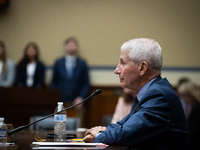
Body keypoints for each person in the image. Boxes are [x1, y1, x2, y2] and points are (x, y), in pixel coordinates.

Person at [83, 38, 190, 149]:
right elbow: (123, 125)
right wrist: (102, 132)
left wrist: (100, 135)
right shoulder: (149, 92)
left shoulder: (158, 95)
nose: (116, 70)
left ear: (142, 68)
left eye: (122, 63)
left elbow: (126, 133)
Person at [51, 37, 89, 123]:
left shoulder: (82, 63)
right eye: (69, 45)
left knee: (76, 125)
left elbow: (86, 83)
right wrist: (56, 98)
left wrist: (80, 98)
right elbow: (53, 82)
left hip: (77, 101)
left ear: (77, 47)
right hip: (60, 100)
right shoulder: (58, 62)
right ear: (65, 47)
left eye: (73, 45)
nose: (71, 47)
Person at [178, 81, 200, 150]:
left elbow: (193, 130)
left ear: (191, 95)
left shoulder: (197, 109)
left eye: (185, 96)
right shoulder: (194, 106)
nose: (184, 99)